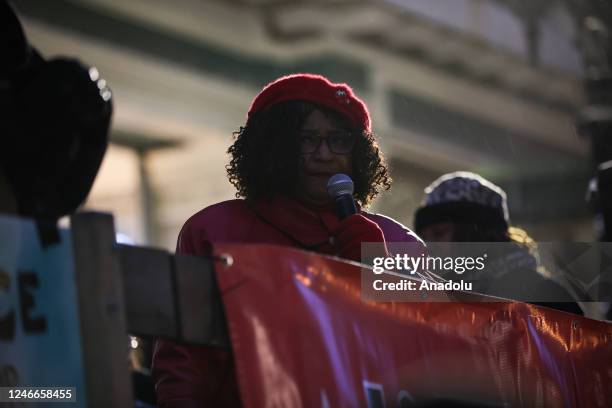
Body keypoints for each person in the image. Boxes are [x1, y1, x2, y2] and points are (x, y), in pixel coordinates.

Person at [152, 73, 424, 407]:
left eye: (339, 139)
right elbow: (183, 364)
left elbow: (435, 359)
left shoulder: (398, 242)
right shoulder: (214, 229)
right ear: (273, 146)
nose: (324, 153)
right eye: (306, 139)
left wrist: (383, 275)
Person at [413, 171, 583, 315]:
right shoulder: (440, 302)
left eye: (439, 233)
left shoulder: (541, 295)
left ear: (477, 232)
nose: (429, 246)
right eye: (424, 238)